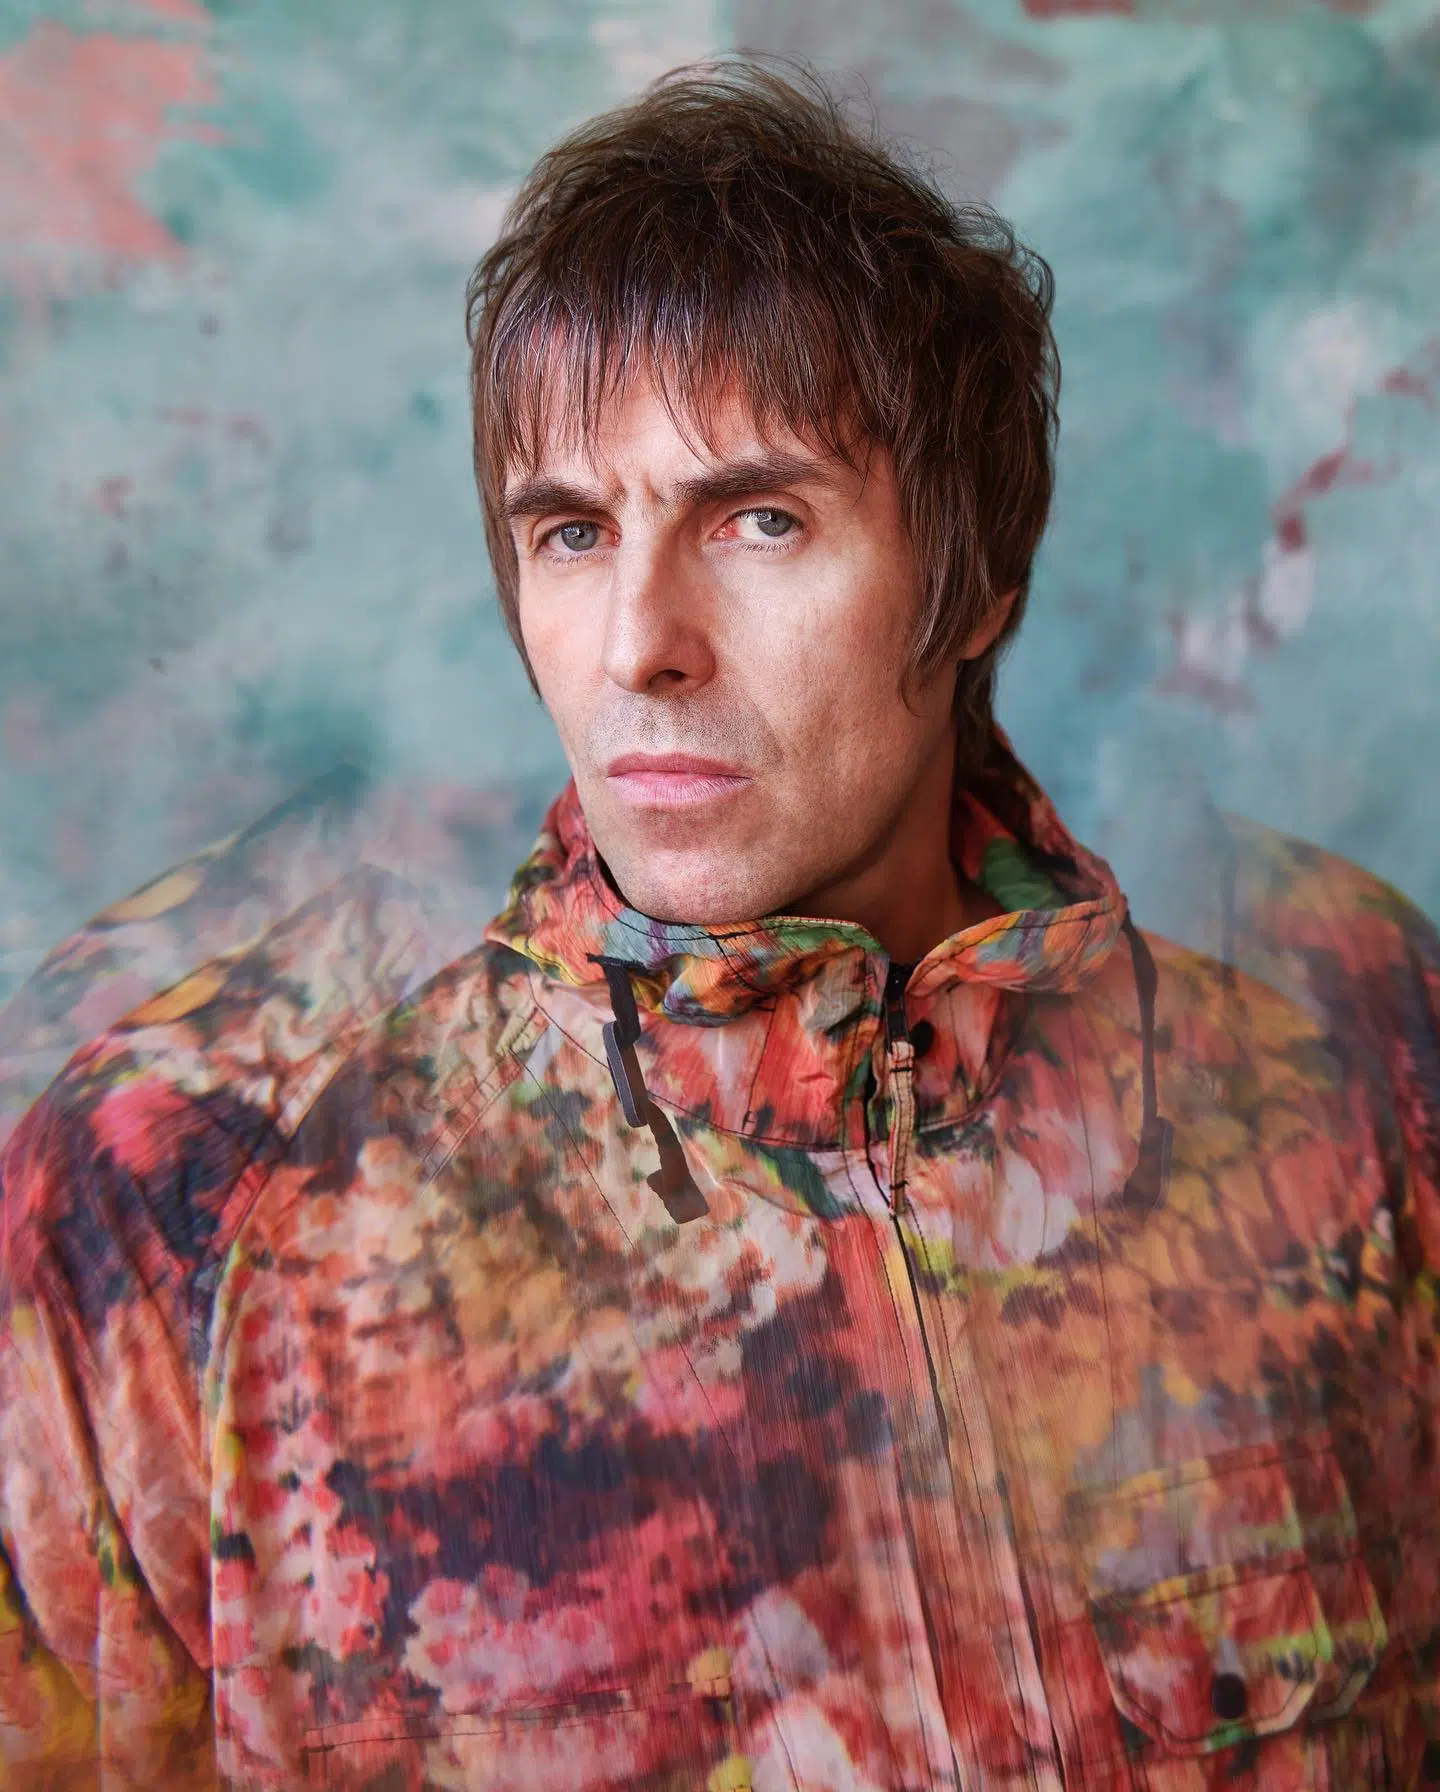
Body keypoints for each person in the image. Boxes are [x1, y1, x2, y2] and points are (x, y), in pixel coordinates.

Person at [2, 57, 1438, 1792]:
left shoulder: (1355, 1076)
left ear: (977, 580)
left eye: (760, 519)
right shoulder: (185, 1212)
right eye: (571, 532)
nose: (639, 645)